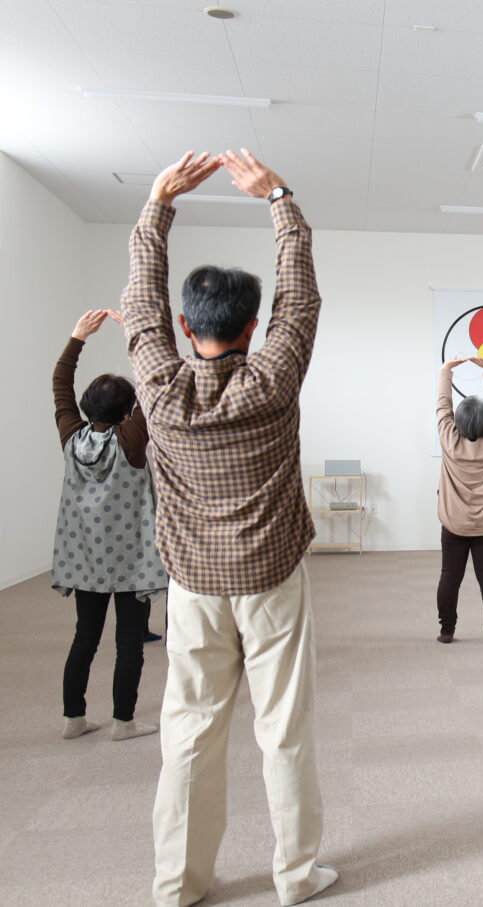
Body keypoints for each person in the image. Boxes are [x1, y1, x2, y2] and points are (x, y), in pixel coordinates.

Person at [124, 150, 338, 906]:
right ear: (255, 324)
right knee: (283, 728)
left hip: (193, 588)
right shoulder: (272, 378)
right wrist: (279, 197)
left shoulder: (156, 379)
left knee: (187, 731)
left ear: (187, 326)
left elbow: (140, 307)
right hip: (273, 581)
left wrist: (158, 206)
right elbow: (301, 301)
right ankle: (295, 875)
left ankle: (179, 883)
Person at [51, 308, 166, 742]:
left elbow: (60, 386)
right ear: (127, 410)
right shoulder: (132, 440)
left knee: (85, 638)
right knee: (129, 643)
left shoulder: (71, 438)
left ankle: (73, 718)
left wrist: (76, 339)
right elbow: (156, 385)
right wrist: (138, 336)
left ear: (85, 407)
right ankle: (123, 721)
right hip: (132, 564)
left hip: (86, 564)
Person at [436, 356, 483, 644]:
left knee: (449, 576)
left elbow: (443, 406)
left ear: (457, 422)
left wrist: (445, 372)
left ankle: (446, 631)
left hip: (453, 525)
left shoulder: (449, 440)